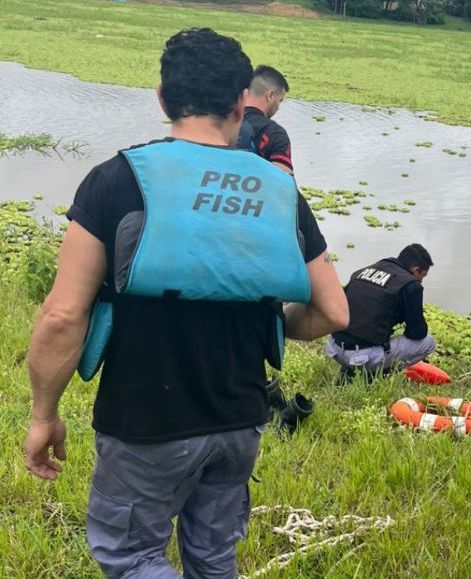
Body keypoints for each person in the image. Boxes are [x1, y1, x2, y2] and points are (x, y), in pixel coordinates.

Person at [23, 28, 349, 578]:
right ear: (241, 104)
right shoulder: (279, 191)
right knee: (213, 556)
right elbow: (334, 313)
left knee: (131, 557)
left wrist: (43, 414)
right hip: (239, 420)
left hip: (145, 421)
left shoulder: (117, 180)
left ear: (162, 98)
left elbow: (61, 315)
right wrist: (276, 319)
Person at [325, 243, 436, 375]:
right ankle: (377, 374)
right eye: (422, 276)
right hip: (361, 358)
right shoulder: (411, 285)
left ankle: (351, 371)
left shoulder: (363, 272)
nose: (421, 281)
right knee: (428, 342)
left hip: (334, 347)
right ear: (415, 269)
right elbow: (418, 333)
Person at [236, 64, 294, 173]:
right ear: (270, 95)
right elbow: (283, 182)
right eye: (279, 101)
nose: (278, 107)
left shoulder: (224, 122)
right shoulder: (274, 133)